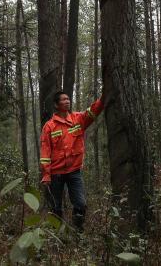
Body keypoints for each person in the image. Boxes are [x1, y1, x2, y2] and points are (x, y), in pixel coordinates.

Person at [39, 90, 103, 230]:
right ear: (56, 105)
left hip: (74, 171)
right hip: (56, 174)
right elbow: (45, 153)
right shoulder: (49, 126)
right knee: (56, 208)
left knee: (80, 204)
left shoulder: (78, 119)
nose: (67, 101)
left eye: (68, 98)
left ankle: (77, 232)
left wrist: (103, 98)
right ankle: (57, 236)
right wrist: (46, 174)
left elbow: (92, 112)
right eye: (63, 99)